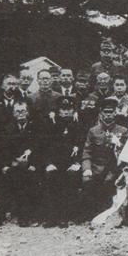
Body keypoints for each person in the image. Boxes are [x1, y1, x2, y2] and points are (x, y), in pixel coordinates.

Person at [80, 98, 128, 222]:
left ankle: (108, 214)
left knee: (109, 183)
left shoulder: (123, 131)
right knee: (87, 181)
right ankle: (89, 215)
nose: (108, 115)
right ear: (101, 113)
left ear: (115, 113)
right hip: (97, 167)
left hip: (115, 168)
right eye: (105, 112)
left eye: (111, 112)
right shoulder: (93, 131)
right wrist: (87, 169)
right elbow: (87, 152)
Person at [0, 101, 39, 228]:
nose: (21, 114)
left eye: (23, 111)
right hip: (13, 165)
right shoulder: (7, 129)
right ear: (13, 114)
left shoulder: (35, 128)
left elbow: (40, 148)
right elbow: (2, 150)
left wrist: (33, 163)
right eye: (18, 111)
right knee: (2, 181)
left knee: (27, 179)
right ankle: (0, 216)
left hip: (30, 165)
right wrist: (6, 165)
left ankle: (25, 216)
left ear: (28, 112)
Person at [40, 97, 83, 227]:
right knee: (51, 177)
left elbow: (82, 146)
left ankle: (65, 215)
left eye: (68, 109)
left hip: (72, 163)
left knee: (70, 178)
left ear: (73, 110)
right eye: (63, 109)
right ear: (58, 111)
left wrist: (77, 163)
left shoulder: (78, 124)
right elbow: (45, 146)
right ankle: (52, 216)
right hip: (55, 162)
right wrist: (48, 163)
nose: (65, 112)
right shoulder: (51, 124)